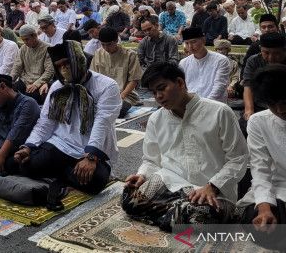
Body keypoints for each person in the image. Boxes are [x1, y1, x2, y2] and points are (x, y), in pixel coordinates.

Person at [122, 62, 248, 230]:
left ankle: (176, 213)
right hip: (171, 182)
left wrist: (213, 186)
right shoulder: (156, 119)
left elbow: (238, 158)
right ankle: (175, 212)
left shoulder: (219, 112)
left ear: (180, 83)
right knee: (129, 200)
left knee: (197, 218)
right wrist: (142, 175)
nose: (158, 96)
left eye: (162, 88)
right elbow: (151, 160)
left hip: (211, 189)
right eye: (153, 92)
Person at [13, 40, 121, 195]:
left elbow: (102, 123)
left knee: (96, 181)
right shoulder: (58, 86)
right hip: (60, 144)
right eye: (59, 66)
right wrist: (29, 146)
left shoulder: (107, 86)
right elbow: (45, 122)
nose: (63, 69)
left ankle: (59, 173)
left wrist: (91, 157)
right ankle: (67, 174)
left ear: (78, 60)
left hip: (90, 149)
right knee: (24, 164)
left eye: (67, 63)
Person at [238, 65, 286, 230]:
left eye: (284, 103)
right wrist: (264, 208)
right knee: (258, 224)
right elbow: (260, 167)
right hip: (278, 188)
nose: (280, 110)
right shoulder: (258, 121)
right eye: (272, 104)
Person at [90, 27, 143, 117]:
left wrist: (121, 96)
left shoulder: (130, 55)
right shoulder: (98, 53)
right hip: (103, 95)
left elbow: (134, 80)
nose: (106, 48)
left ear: (116, 41)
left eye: (109, 44)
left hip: (125, 95)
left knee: (117, 109)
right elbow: (93, 77)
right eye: (103, 44)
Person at [241, 32, 286, 128]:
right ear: (260, 49)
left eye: (276, 53)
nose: (271, 58)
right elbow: (248, 86)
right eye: (266, 53)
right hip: (261, 105)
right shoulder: (253, 61)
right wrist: (249, 110)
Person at [179, 27, 231, 103]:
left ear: (203, 40)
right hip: (191, 104)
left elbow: (219, 86)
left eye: (193, 42)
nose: (190, 46)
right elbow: (182, 87)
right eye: (187, 43)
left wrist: (204, 105)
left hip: (215, 105)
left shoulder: (221, 60)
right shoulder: (183, 63)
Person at [10, 24, 55, 104]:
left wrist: (36, 84)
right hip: (24, 81)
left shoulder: (48, 48)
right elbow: (17, 67)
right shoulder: (23, 48)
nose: (25, 42)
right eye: (23, 40)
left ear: (35, 36)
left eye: (27, 39)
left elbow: (49, 71)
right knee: (9, 93)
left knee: (29, 99)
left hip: (40, 82)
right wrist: (9, 80)